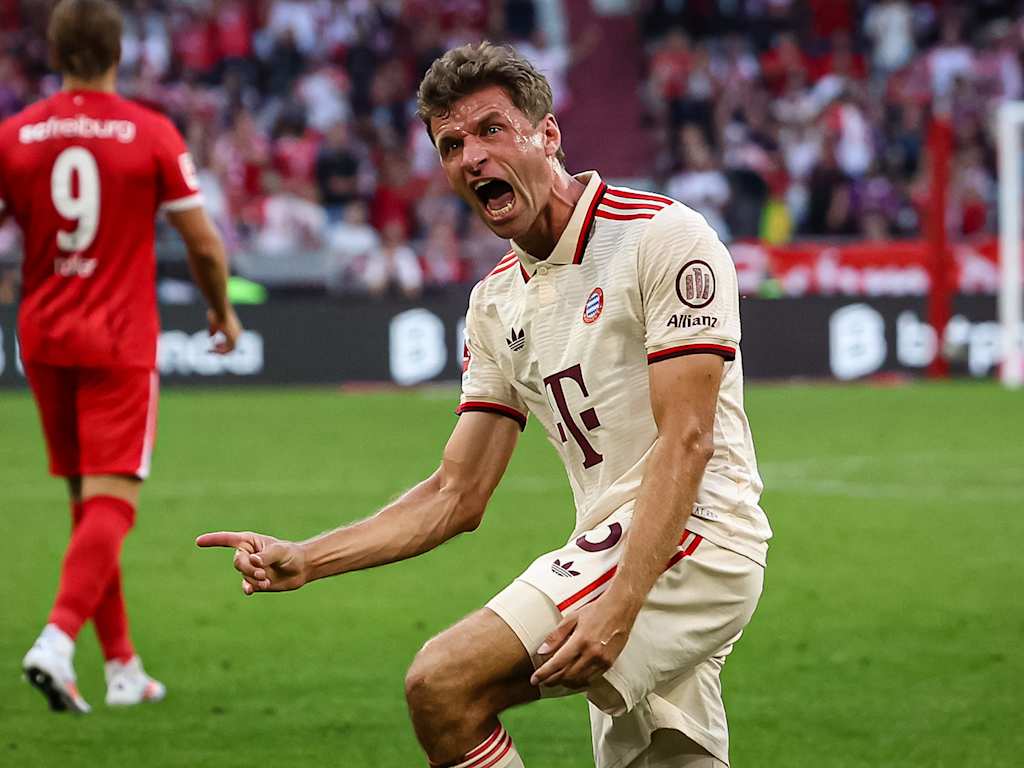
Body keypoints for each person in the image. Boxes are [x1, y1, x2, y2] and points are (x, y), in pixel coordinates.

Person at [198, 42, 769, 768]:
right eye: (452, 144)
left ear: (549, 135)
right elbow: (455, 493)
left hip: (693, 539)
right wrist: (309, 558)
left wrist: (620, 604)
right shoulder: (495, 302)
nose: (471, 156)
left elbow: (688, 440)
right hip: (621, 551)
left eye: (492, 130)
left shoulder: (662, 236)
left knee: (443, 685)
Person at [0, 0, 241, 714]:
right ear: (118, 52)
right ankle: (55, 638)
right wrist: (222, 311)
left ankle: (123, 667)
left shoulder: (14, 136)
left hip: (43, 336)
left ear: (53, 51)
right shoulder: (150, 132)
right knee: (115, 505)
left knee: (87, 504)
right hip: (117, 339)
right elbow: (201, 242)